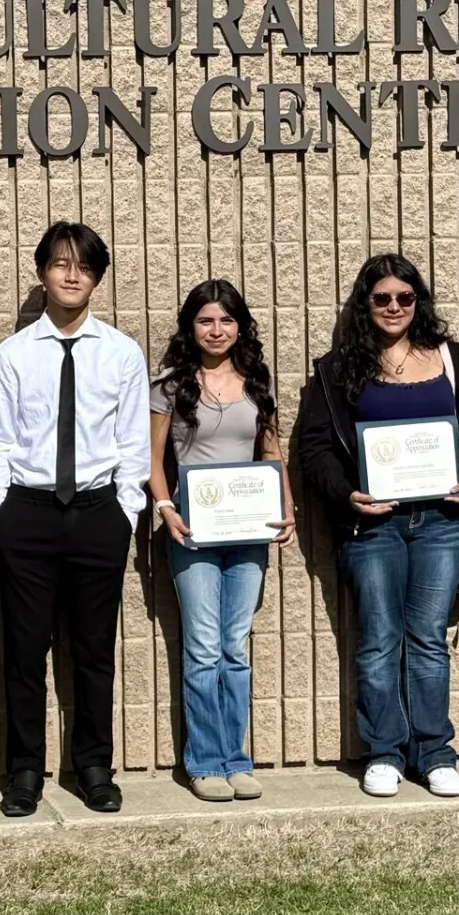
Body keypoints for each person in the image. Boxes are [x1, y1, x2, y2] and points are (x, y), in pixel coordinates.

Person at [295, 254, 459, 800]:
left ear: (417, 302)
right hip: (372, 526)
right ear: (365, 304)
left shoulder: (448, 358)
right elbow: (314, 449)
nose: (394, 307)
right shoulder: (336, 369)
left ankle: (434, 752)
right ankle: (384, 752)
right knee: (379, 641)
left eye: (405, 298)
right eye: (382, 298)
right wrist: (346, 494)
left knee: (428, 640)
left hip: (441, 522)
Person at [0, 221, 150, 817]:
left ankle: (93, 765)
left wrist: (126, 510)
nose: (71, 274)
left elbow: (133, 443)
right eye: (59, 263)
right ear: (42, 274)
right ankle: (24, 771)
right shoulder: (14, 353)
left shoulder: (122, 352)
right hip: (25, 514)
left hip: (99, 512)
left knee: (93, 648)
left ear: (96, 278)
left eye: (82, 266)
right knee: (25, 650)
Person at [146, 280, 295, 803]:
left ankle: (237, 759)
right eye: (206, 320)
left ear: (240, 326)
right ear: (191, 326)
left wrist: (286, 508)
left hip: (249, 530)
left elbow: (272, 449)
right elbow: (152, 460)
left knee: (235, 649)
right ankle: (205, 762)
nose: (217, 330)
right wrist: (166, 509)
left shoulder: (256, 379)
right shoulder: (169, 386)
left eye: (227, 320)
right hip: (194, 530)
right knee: (204, 647)